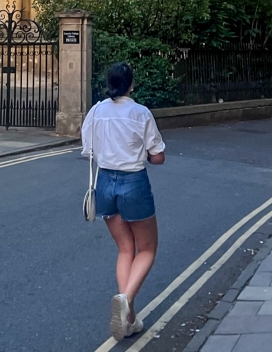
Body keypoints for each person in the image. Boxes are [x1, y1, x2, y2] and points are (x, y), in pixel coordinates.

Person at [82, 62, 166, 341]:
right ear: (131, 84)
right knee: (147, 249)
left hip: (105, 183)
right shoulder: (140, 113)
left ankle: (128, 318)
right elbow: (158, 156)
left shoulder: (96, 111)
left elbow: (88, 149)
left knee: (124, 249)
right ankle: (126, 301)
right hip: (133, 183)